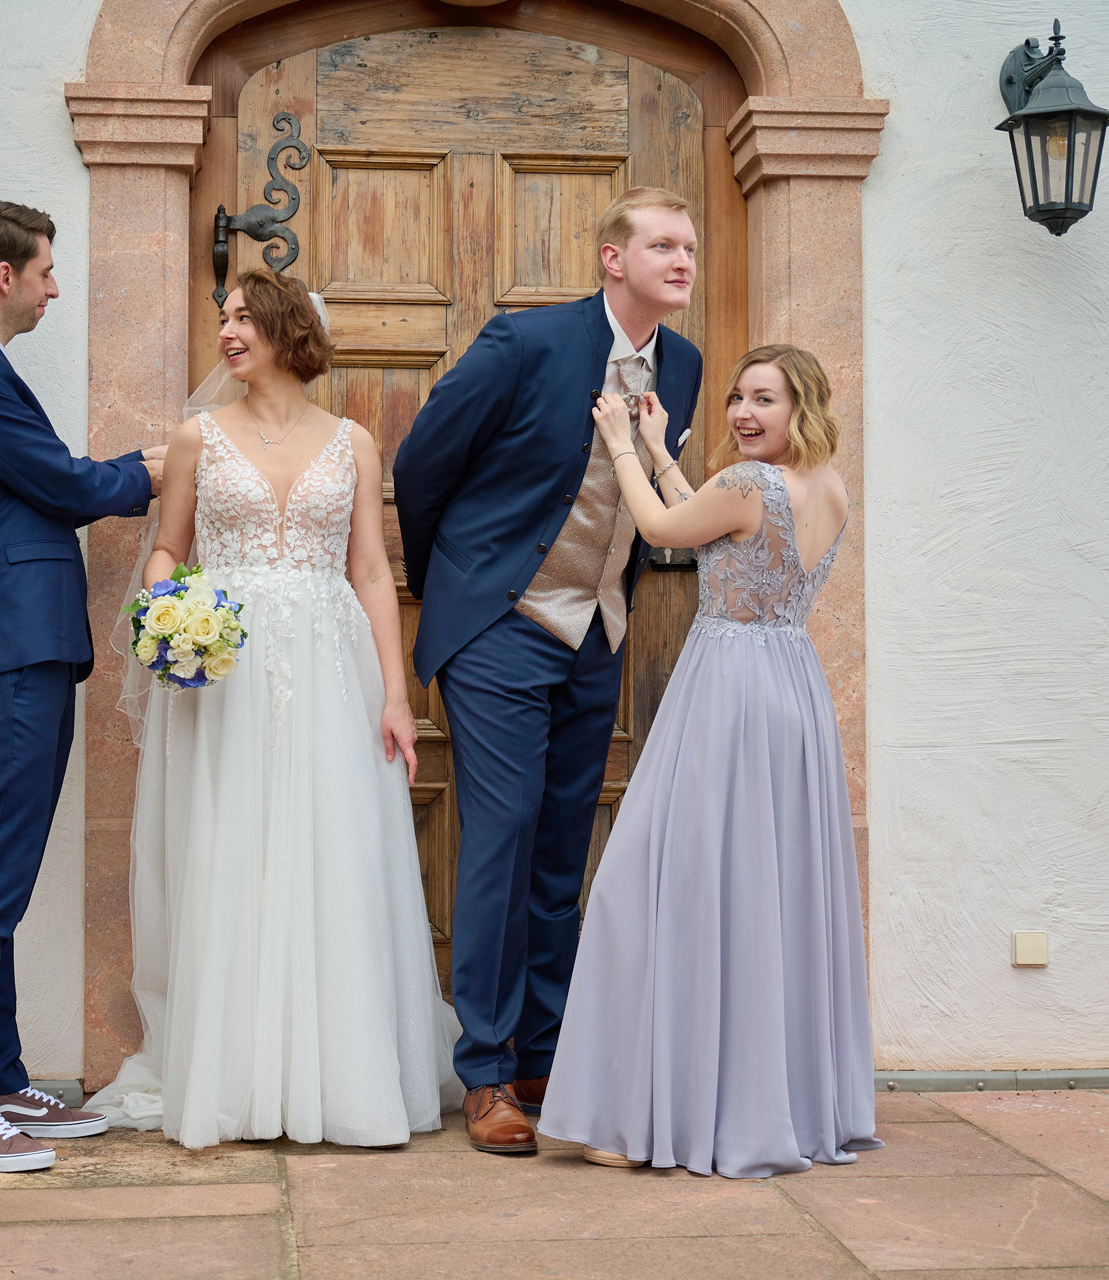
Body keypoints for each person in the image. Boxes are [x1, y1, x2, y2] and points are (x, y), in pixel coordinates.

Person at [87, 268, 461, 1149]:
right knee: (235, 850)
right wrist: (169, 612)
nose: (227, 331)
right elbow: (168, 549)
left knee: (331, 851)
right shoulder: (198, 438)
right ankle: (237, 1078)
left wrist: (396, 696)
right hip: (229, 671)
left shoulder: (353, 443)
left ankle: (340, 1076)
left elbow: (370, 572)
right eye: (223, 317)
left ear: (289, 329)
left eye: (244, 317)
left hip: (330, 670)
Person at [392, 188, 703, 1154]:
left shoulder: (685, 366)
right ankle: (485, 1070)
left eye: (690, 248)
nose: (683, 260)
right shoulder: (525, 343)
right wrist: (464, 586)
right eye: (663, 245)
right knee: (502, 833)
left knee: (564, 847)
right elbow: (422, 465)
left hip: (598, 629)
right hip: (503, 624)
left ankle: (541, 1053)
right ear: (614, 259)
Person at [537, 346, 882, 1177]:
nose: (742, 412)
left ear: (802, 406)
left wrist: (620, 443)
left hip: (727, 690)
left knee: (657, 884)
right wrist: (664, 452)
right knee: (761, 892)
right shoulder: (828, 487)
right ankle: (756, 1102)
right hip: (791, 686)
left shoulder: (749, 483)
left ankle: (653, 1114)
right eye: (737, 396)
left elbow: (666, 532)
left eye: (764, 399)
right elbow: (718, 532)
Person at [0, 198, 166, 1172]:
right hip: (8, 648)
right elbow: (60, 485)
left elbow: (38, 483)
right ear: (4, 274)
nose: (57, 287)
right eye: (47, 270)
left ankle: (2, 1075)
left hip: (27, 644)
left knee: (6, 875)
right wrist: (149, 471)